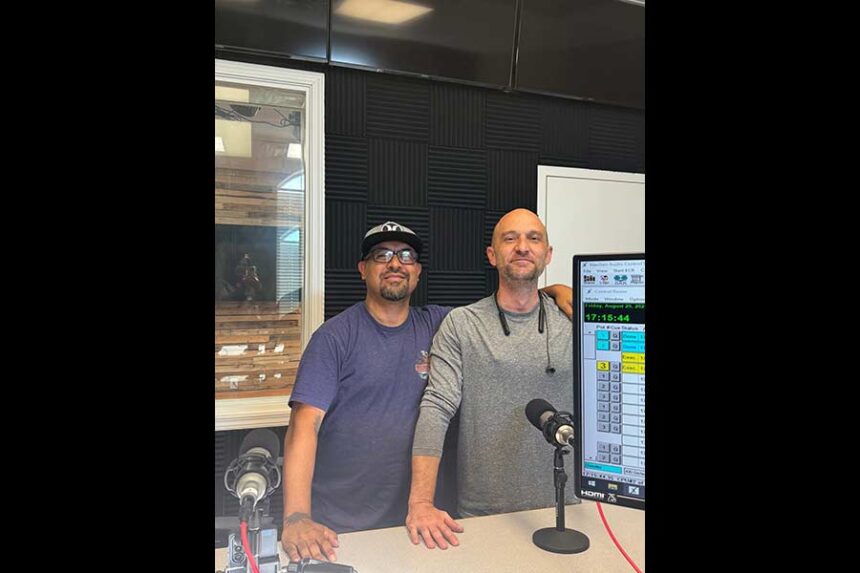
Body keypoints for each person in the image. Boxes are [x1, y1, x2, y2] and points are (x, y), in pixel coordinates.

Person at [280, 220, 573, 562]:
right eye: (381, 255)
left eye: (405, 255)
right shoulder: (334, 338)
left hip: (414, 520)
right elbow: (304, 426)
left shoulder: (439, 324)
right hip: (341, 522)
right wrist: (297, 516)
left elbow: (508, 299)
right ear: (363, 270)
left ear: (417, 272)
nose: (395, 263)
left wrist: (553, 292)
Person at [406, 208, 576, 550]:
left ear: (548, 254)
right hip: (484, 517)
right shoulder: (461, 324)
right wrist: (420, 503)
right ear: (492, 254)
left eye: (533, 238)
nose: (522, 247)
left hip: (567, 510)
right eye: (509, 238)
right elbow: (437, 408)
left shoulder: (576, 319)